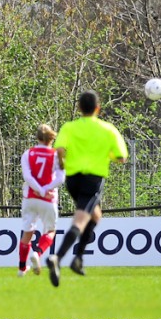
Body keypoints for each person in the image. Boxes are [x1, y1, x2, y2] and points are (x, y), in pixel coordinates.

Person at [46, 90, 128, 287]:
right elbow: (122, 158)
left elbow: (59, 150)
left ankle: (78, 259)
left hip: (73, 179)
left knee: (96, 215)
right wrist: (105, 155)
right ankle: (58, 257)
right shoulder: (107, 129)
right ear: (98, 108)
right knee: (81, 220)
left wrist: (63, 163)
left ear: (79, 108)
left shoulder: (69, 127)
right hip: (93, 179)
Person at [17, 124, 65, 277]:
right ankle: (37, 253)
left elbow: (28, 177)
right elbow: (60, 178)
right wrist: (45, 190)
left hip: (30, 197)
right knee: (50, 231)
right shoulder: (55, 155)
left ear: (37, 137)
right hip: (48, 199)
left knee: (27, 232)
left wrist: (38, 189)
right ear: (51, 138)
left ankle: (22, 268)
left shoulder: (28, 153)